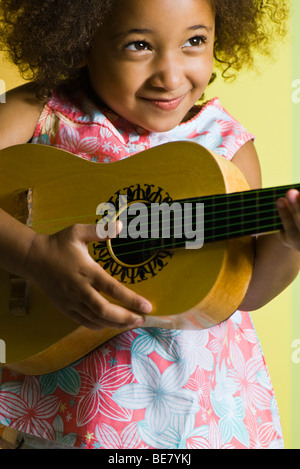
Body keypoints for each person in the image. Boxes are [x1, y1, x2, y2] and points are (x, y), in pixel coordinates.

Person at [0, 0, 299, 450]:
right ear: (82, 42)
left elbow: (247, 290)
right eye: (139, 45)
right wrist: (33, 256)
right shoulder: (38, 109)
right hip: (69, 409)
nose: (171, 76)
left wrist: (290, 243)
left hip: (198, 413)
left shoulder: (227, 146)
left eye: (194, 42)